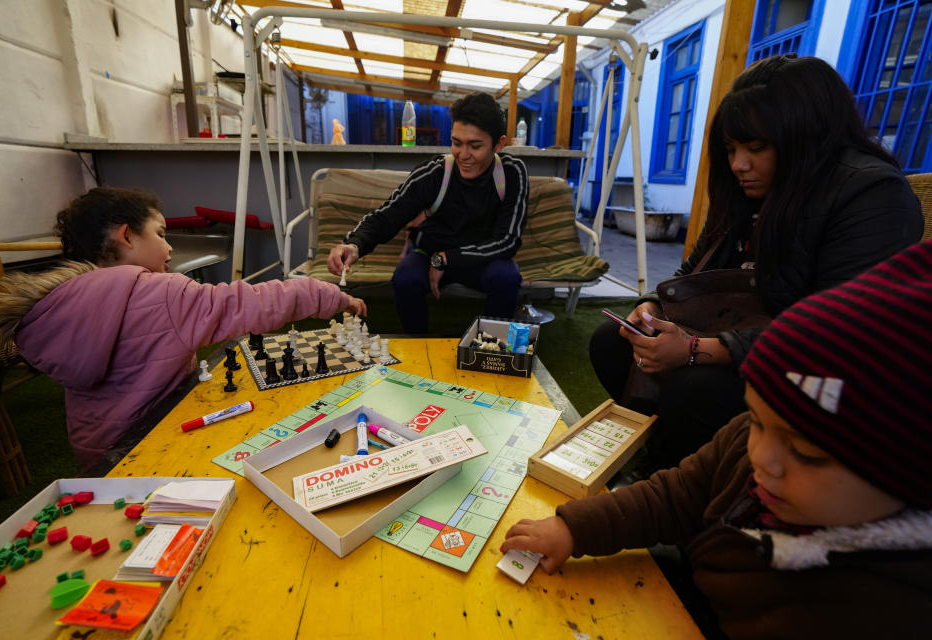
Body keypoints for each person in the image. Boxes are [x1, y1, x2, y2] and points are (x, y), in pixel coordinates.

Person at [502, 239, 932, 639]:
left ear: (907, 473)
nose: (761, 456)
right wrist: (575, 528)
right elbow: (677, 493)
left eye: (806, 453)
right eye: (758, 420)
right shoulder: (750, 443)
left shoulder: (890, 607)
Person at [590, 55, 922, 471]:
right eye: (730, 149)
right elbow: (695, 271)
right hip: (743, 337)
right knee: (611, 340)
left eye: (756, 147)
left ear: (807, 135)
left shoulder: (872, 196)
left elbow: (838, 331)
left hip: (824, 372)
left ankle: (688, 493)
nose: (738, 165)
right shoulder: (747, 190)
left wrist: (695, 350)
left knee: (695, 388)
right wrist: (653, 307)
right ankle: (663, 465)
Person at [0, 187, 366, 467]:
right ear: (126, 235)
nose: (170, 247)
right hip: (153, 442)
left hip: (95, 453)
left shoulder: (58, 303)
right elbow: (252, 302)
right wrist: (333, 297)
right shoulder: (160, 294)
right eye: (161, 234)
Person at [327, 92, 529, 333]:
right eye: (456, 143)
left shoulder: (512, 173)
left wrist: (447, 258)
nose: (463, 155)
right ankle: (417, 345)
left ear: (499, 144)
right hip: (429, 253)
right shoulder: (435, 172)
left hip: (482, 259)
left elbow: (508, 240)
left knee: (507, 276)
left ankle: (491, 348)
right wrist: (354, 245)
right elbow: (388, 215)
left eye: (475, 146)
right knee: (405, 278)